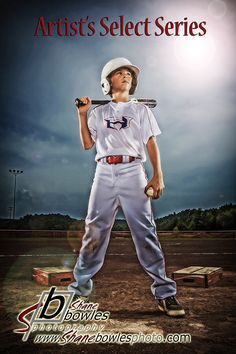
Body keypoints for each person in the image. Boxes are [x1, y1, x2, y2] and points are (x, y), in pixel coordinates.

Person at [68, 57, 185, 317]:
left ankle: (165, 293)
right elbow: (88, 144)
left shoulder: (141, 110)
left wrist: (158, 176)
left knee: (145, 231)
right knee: (94, 231)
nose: (126, 76)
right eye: (119, 73)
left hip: (134, 171)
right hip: (104, 172)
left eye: (129, 74)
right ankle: (78, 292)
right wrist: (82, 114)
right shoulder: (98, 112)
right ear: (107, 82)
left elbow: (151, 143)